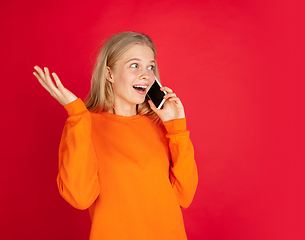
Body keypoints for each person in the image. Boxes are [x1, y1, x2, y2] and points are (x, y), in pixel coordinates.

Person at [33, 31, 198, 239]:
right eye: (134, 65)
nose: (146, 75)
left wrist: (176, 127)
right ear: (110, 74)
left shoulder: (161, 126)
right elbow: (80, 197)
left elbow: (184, 197)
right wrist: (77, 114)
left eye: (150, 66)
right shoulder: (85, 124)